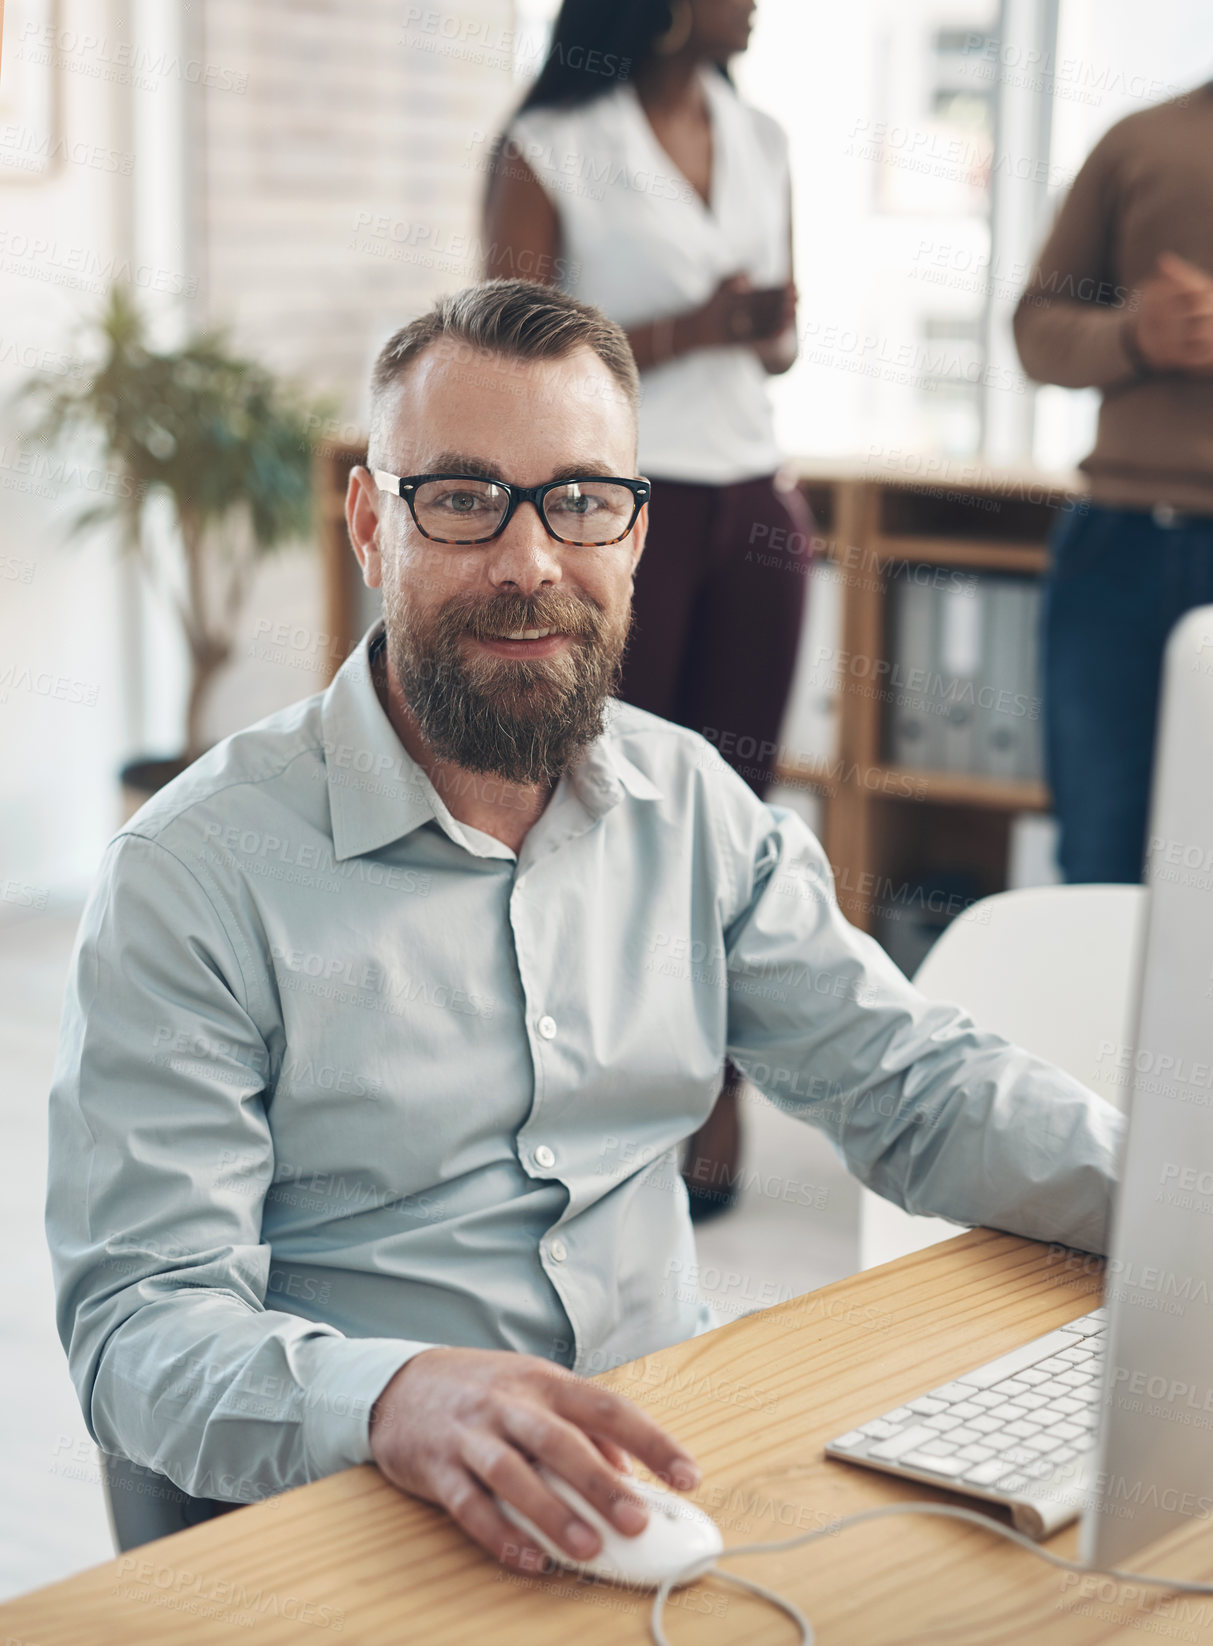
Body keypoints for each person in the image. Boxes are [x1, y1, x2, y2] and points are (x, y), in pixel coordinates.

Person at [47, 280, 1120, 1577]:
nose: (528, 561)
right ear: (369, 524)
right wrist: (392, 1398)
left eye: (581, 500)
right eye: (461, 497)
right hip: (360, 1513)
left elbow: (915, 1088)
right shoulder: (193, 873)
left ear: (635, 536)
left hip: (667, 1473)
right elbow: (141, 1326)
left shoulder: (694, 807)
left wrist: (1170, 1200)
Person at [483, 0, 812, 1219]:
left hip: (758, 508)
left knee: (731, 811)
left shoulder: (762, 136)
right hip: (613, 510)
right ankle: (583, 1096)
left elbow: (777, 345)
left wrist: (763, 329)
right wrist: (692, 327)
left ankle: (714, 1087)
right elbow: (509, 347)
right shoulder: (554, 143)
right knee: (598, 809)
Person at [1013, 82, 1213, 884]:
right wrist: (1137, 333)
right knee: (1098, 859)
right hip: (1118, 547)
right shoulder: (1137, 142)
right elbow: (1035, 333)